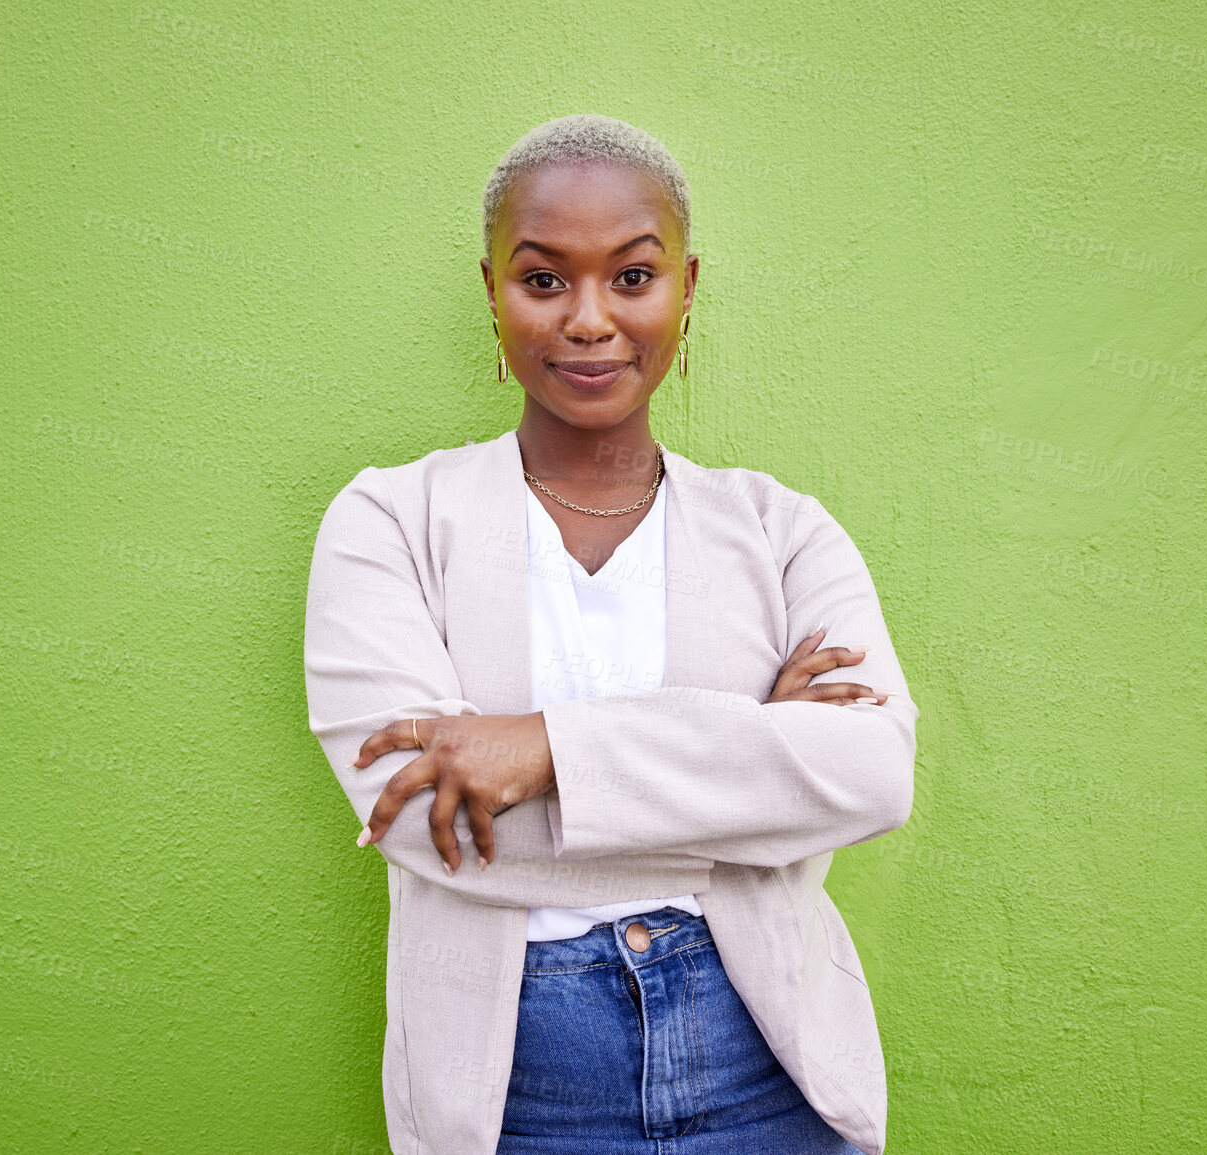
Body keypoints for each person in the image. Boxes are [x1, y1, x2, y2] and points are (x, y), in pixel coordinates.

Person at [305, 114, 917, 1155]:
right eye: (544, 280)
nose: (589, 319)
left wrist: (544, 749)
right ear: (491, 292)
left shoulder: (781, 530)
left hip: (766, 1061)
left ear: (687, 287)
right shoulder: (390, 521)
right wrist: (751, 762)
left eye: (632, 278)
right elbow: (418, 821)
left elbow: (870, 777)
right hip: (519, 1087)